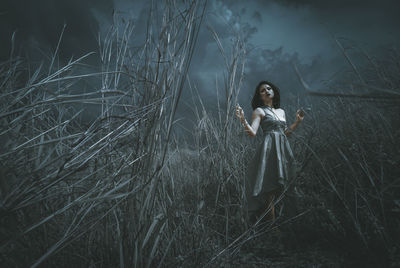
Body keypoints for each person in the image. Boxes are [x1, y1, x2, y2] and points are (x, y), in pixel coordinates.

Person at [235, 81, 304, 225]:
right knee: (269, 187)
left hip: (283, 148)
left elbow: (285, 133)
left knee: (286, 183)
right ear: (259, 96)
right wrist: (242, 120)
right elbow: (252, 133)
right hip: (269, 148)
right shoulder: (259, 111)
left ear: (273, 91)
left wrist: (297, 122)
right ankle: (272, 227)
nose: (266, 91)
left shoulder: (281, 111)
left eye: (269, 88)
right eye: (262, 90)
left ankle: (287, 221)